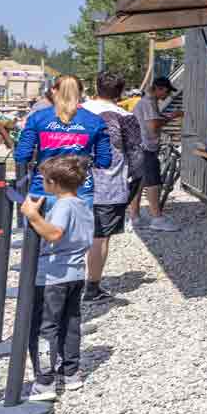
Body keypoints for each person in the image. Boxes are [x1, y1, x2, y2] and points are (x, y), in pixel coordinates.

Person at [21, 154, 95, 400]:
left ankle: (44, 382)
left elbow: (54, 234)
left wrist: (33, 215)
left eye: (43, 178)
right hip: (76, 274)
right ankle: (71, 372)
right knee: (70, 323)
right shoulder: (82, 204)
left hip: (53, 277)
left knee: (45, 327)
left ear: (54, 182)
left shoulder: (63, 206)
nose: (41, 182)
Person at [81, 70, 142, 304]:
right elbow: (136, 156)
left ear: (97, 87)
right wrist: (133, 189)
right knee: (100, 237)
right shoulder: (124, 117)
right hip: (109, 185)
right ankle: (92, 287)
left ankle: (62, 284)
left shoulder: (77, 112)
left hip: (72, 182)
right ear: (120, 92)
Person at [10, 74, 111, 204]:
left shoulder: (37, 118)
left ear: (53, 90)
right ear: (80, 92)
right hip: (80, 189)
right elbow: (105, 160)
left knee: (41, 225)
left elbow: (22, 155)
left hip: (44, 188)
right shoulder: (95, 121)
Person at [130, 76, 181, 232]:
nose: (167, 96)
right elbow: (153, 126)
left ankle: (135, 217)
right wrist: (172, 117)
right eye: (166, 92)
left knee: (139, 183)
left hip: (139, 148)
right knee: (154, 183)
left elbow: (154, 121)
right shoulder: (148, 103)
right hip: (146, 148)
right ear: (160, 89)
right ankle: (157, 218)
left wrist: (164, 118)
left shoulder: (147, 102)